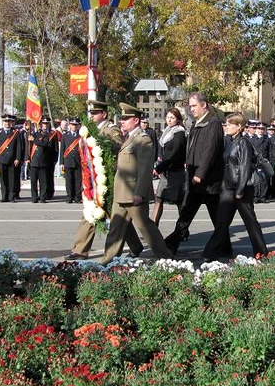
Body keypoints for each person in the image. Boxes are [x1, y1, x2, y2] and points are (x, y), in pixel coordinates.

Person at [66, 101, 143, 260]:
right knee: (95, 212)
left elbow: (119, 153)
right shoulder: (89, 131)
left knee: (116, 216)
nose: (91, 116)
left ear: (104, 114)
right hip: (93, 179)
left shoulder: (111, 130)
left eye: (95, 113)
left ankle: (134, 245)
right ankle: (81, 249)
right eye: (91, 113)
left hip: (109, 180)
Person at [100, 103, 172, 265]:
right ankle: (107, 262)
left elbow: (145, 169)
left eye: (126, 119)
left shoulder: (143, 140)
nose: (121, 121)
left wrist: (140, 192)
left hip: (133, 193)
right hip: (122, 192)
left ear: (136, 120)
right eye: (122, 118)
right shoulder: (129, 138)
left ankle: (166, 258)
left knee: (145, 227)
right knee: (115, 229)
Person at [201, 112, 267, 262]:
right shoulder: (230, 141)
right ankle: (209, 253)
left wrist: (240, 190)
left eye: (230, 124)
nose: (226, 126)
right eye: (226, 123)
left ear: (239, 127)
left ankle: (261, 253)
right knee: (221, 223)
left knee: (251, 223)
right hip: (227, 189)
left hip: (240, 190)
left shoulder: (243, 143)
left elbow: (244, 167)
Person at [164, 92, 224, 255]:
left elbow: (210, 150)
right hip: (195, 179)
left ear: (203, 105)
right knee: (186, 214)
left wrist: (200, 172)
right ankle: (171, 245)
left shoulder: (213, 123)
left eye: (193, 106)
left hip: (207, 181)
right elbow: (193, 148)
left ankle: (224, 247)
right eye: (190, 106)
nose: (191, 110)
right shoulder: (198, 122)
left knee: (217, 219)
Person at [152, 107, 187, 226]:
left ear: (178, 119)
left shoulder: (180, 133)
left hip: (176, 171)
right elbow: (162, 152)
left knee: (179, 201)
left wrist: (159, 168)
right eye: (168, 117)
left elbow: (175, 154)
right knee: (159, 198)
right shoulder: (166, 132)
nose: (169, 120)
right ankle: (153, 228)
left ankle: (182, 228)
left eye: (172, 118)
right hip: (166, 172)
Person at [27, 115, 58, 203]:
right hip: (34, 161)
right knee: (33, 181)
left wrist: (34, 140)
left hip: (45, 161)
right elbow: (28, 147)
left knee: (43, 181)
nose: (44, 125)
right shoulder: (36, 134)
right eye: (43, 123)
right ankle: (34, 197)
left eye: (46, 123)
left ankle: (43, 197)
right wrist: (27, 158)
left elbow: (47, 145)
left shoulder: (50, 134)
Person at [0, 114, 22, 203]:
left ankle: (11, 197)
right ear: (3, 122)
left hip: (12, 160)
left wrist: (17, 158)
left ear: (11, 123)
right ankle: (4, 196)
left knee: (12, 180)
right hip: (2, 159)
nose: (7, 123)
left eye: (9, 122)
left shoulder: (15, 133)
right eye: (5, 122)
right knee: (3, 179)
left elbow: (18, 147)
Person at [60, 117, 82, 203]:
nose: (74, 127)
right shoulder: (65, 136)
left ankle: (77, 197)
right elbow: (62, 150)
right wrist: (61, 162)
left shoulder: (81, 136)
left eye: (76, 125)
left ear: (78, 126)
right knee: (69, 181)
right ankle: (69, 197)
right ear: (70, 125)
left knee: (78, 181)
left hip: (78, 161)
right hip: (68, 161)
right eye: (73, 125)